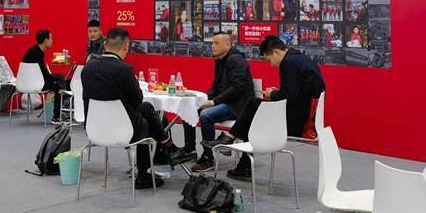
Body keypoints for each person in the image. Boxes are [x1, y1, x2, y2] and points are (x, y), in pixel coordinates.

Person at [81, 28, 193, 188]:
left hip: (94, 128)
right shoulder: (124, 70)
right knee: (147, 120)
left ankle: (169, 147)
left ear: (105, 44)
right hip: (122, 130)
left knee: (147, 108)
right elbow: (137, 100)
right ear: (126, 46)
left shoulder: (87, 68)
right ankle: (145, 173)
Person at [202, 36, 325, 180]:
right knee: (253, 113)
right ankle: (242, 162)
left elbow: (288, 96)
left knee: (253, 105)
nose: (271, 65)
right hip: (305, 116)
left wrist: (272, 94)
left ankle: (230, 140)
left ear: (276, 52)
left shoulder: (288, 64)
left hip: (297, 124)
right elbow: (297, 93)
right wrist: (277, 92)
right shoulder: (301, 59)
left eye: (269, 60)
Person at [170, 33, 254, 172]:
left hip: (237, 106)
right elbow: (216, 87)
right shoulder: (220, 60)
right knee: (188, 108)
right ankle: (190, 149)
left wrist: (214, 102)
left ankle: (208, 157)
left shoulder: (236, 60)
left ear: (227, 45)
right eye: (212, 43)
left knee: (206, 115)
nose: (213, 46)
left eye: (216, 43)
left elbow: (237, 88)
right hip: (224, 102)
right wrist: (204, 99)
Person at [22, 29, 67, 124]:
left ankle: (62, 104)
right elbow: (43, 73)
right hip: (35, 83)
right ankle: (57, 115)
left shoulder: (34, 50)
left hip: (31, 81)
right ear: (46, 40)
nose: (52, 41)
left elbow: (42, 72)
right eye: (51, 38)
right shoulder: (36, 52)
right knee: (58, 85)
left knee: (60, 78)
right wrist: (53, 78)